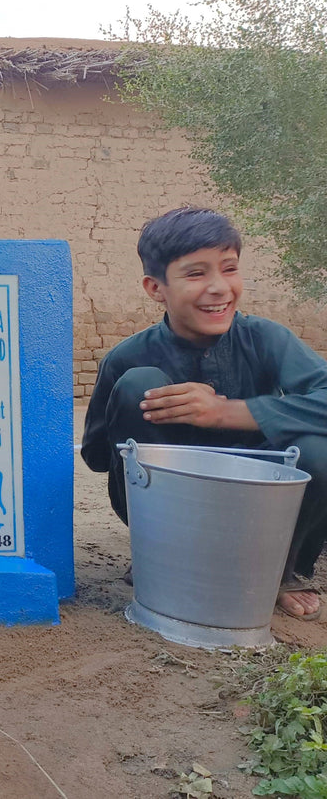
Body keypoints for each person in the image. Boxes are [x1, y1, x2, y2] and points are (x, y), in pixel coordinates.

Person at [81, 206, 327, 621]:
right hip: (172, 509)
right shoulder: (127, 357)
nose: (219, 288)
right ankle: (161, 557)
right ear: (155, 288)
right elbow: (97, 457)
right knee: (139, 386)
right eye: (196, 274)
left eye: (229, 269)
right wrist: (138, 409)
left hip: (261, 509)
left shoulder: (266, 339)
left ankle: (282, 572)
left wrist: (226, 413)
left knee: (316, 450)